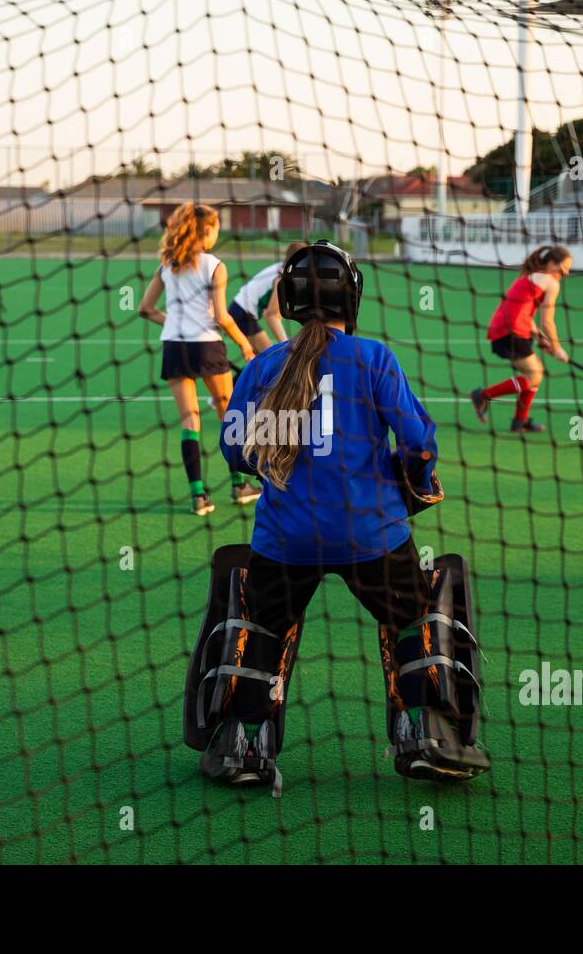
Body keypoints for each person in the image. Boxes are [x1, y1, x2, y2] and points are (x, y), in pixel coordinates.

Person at [199, 240, 489, 787]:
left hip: (285, 537)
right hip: (369, 534)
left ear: (285, 298)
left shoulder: (262, 364)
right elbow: (419, 443)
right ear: (350, 298)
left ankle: (246, 747)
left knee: (263, 625)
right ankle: (425, 732)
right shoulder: (374, 357)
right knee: (413, 617)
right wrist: (416, 486)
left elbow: (235, 450)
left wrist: (278, 465)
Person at [137, 201, 259, 514]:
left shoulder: (168, 263)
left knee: (189, 419)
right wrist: (245, 345)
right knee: (229, 415)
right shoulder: (215, 266)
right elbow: (221, 317)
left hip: (174, 348)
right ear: (207, 231)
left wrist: (176, 323)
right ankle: (239, 486)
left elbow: (145, 309)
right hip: (206, 346)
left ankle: (198, 496)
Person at [470, 244, 572, 433]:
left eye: (568, 268)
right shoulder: (551, 282)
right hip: (512, 332)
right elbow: (547, 321)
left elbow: (523, 312)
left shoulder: (528, 278)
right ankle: (483, 396)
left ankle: (519, 422)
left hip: (504, 329)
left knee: (536, 373)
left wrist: (540, 338)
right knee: (533, 375)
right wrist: (557, 348)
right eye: (563, 267)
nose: (566, 272)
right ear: (551, 263)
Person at [225, 241, 308, 353]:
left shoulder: (283, 269)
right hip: (242, 314)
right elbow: (270, 315)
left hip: (240, 311)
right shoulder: (282, 278)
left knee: (256, 360)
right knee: (270, 355)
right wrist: (287, 344)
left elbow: (273, 313)